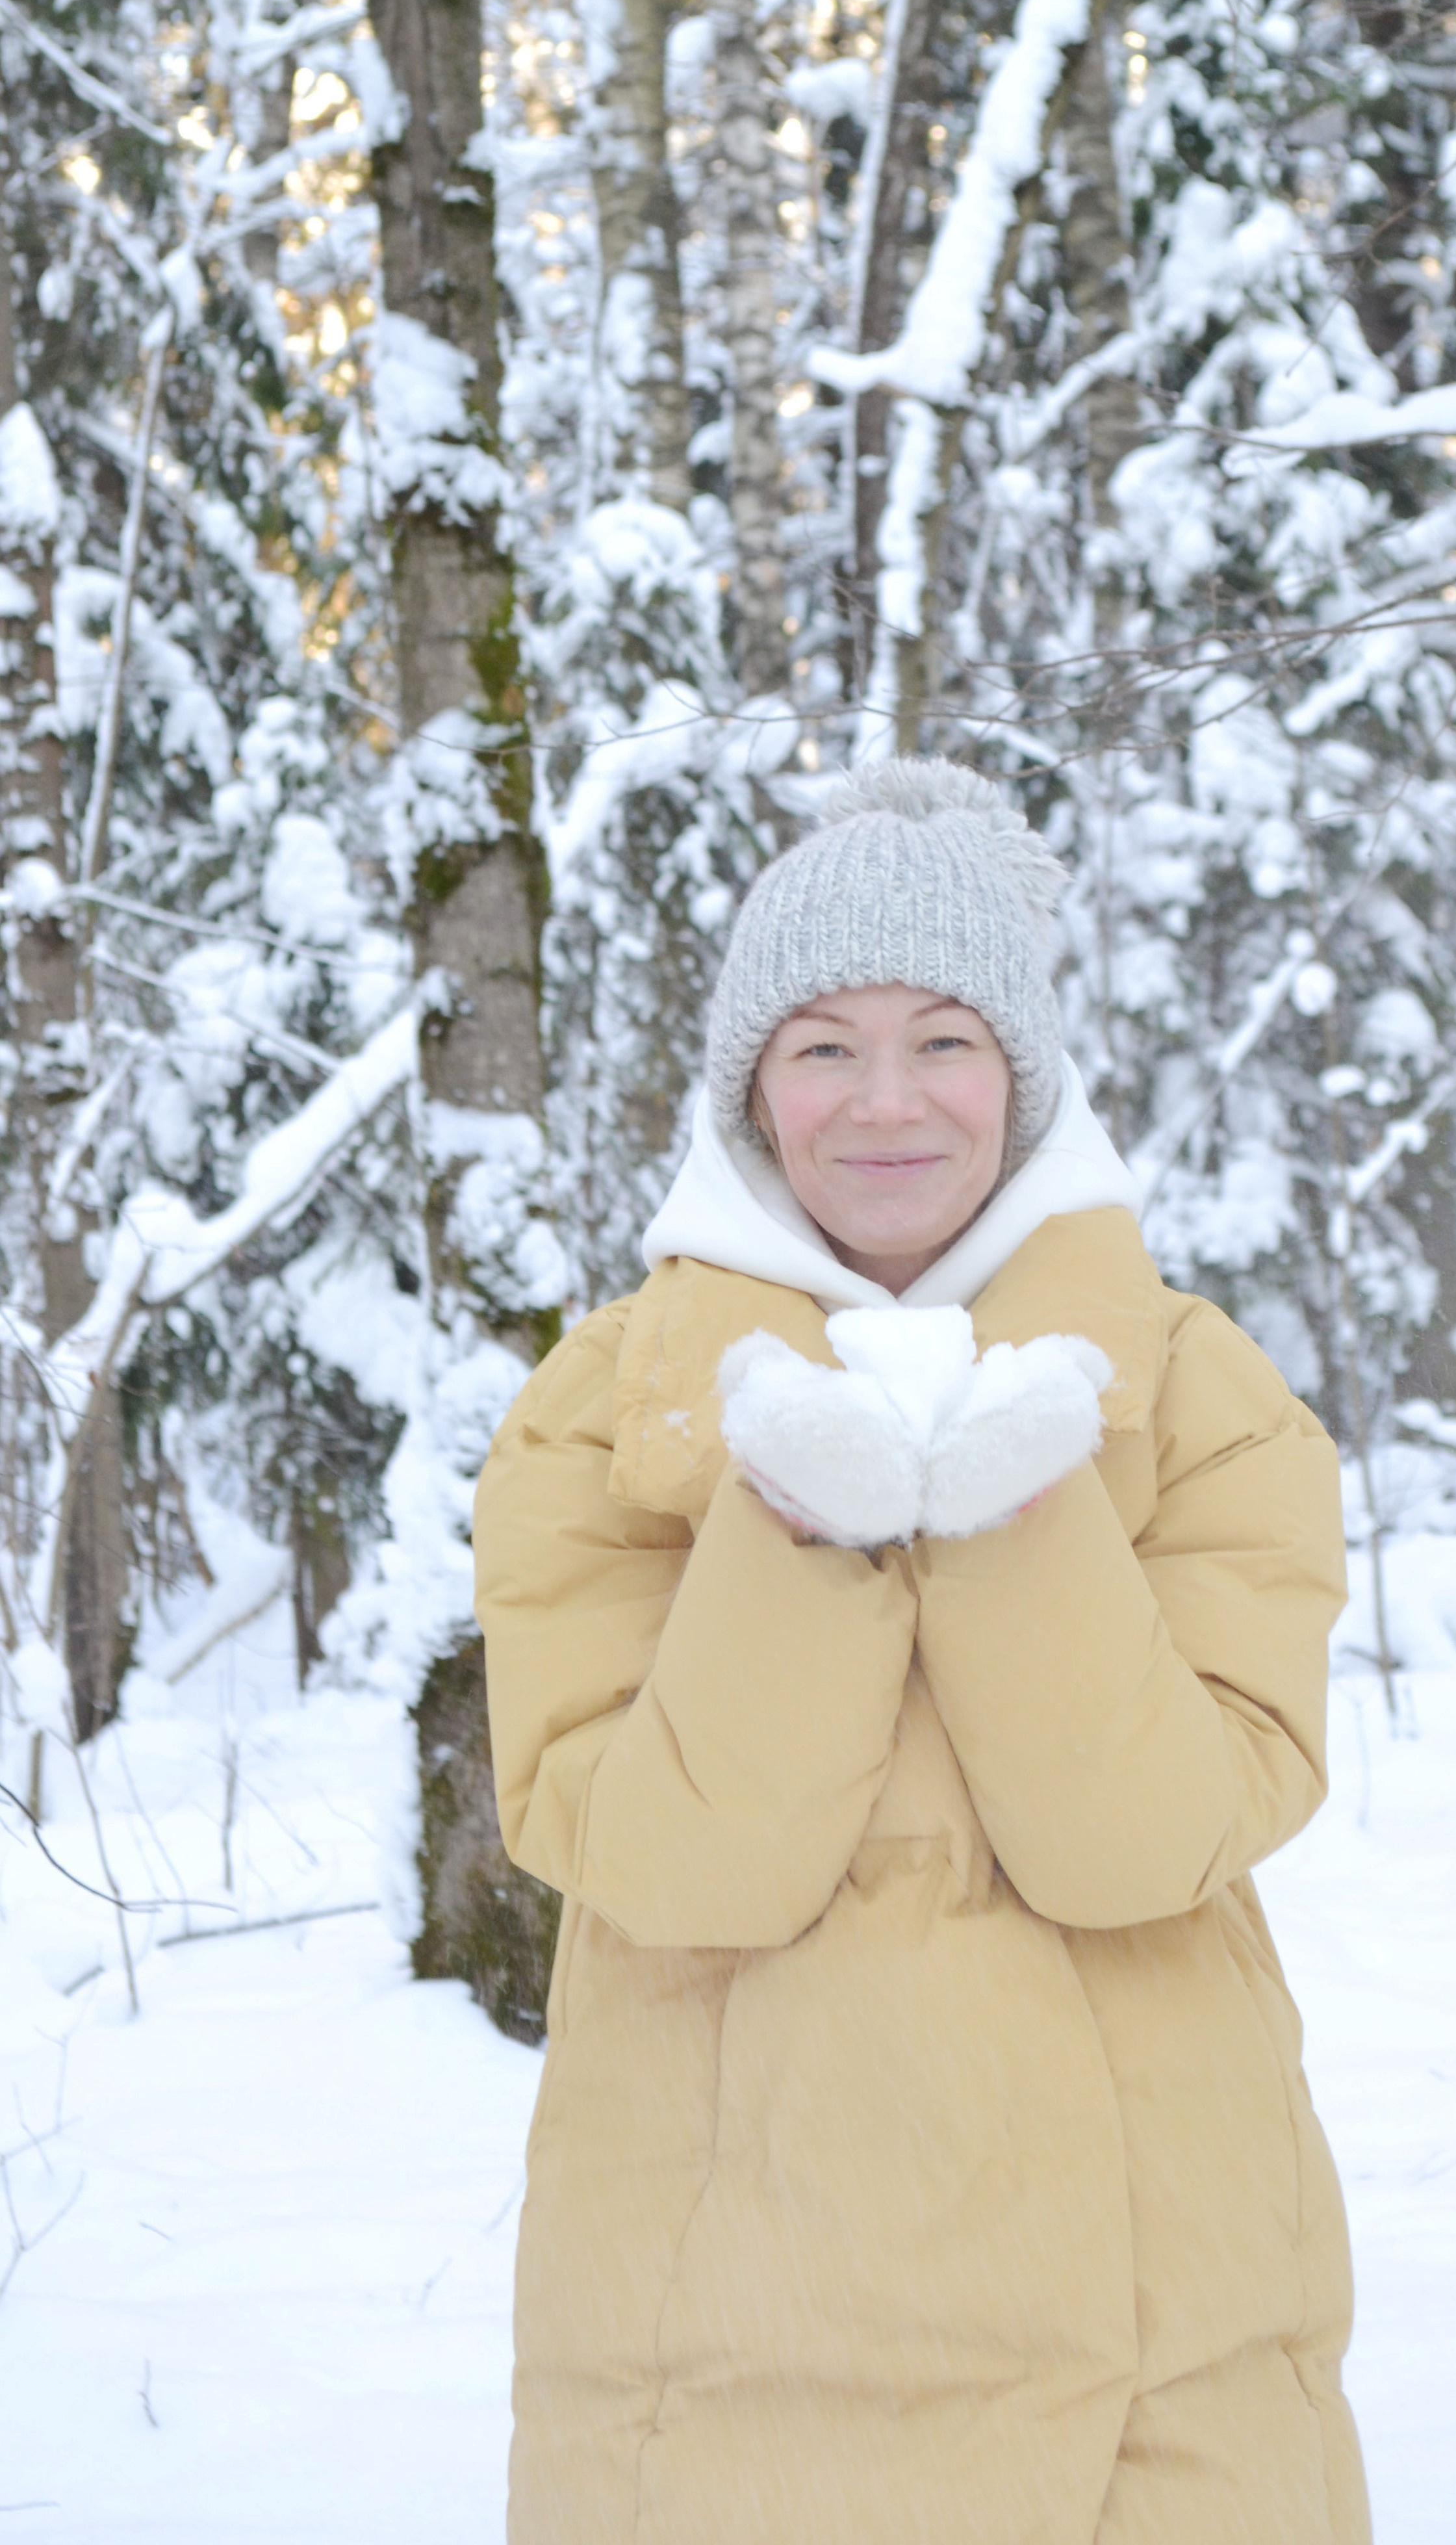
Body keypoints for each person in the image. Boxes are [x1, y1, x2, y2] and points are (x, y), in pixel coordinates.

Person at [473, 756, 1371, 2545]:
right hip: (720, 2356)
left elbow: (1147, 1847)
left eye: (943, 1038)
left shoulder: (1198, 1399)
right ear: (749, 1091)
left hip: (1155, 2363)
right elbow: (669, 1866)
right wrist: (791, 1532)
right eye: (820, 1045)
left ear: (1022, 1079)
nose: (884, 1102)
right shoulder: (601, 1411)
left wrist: (1018, 1506)